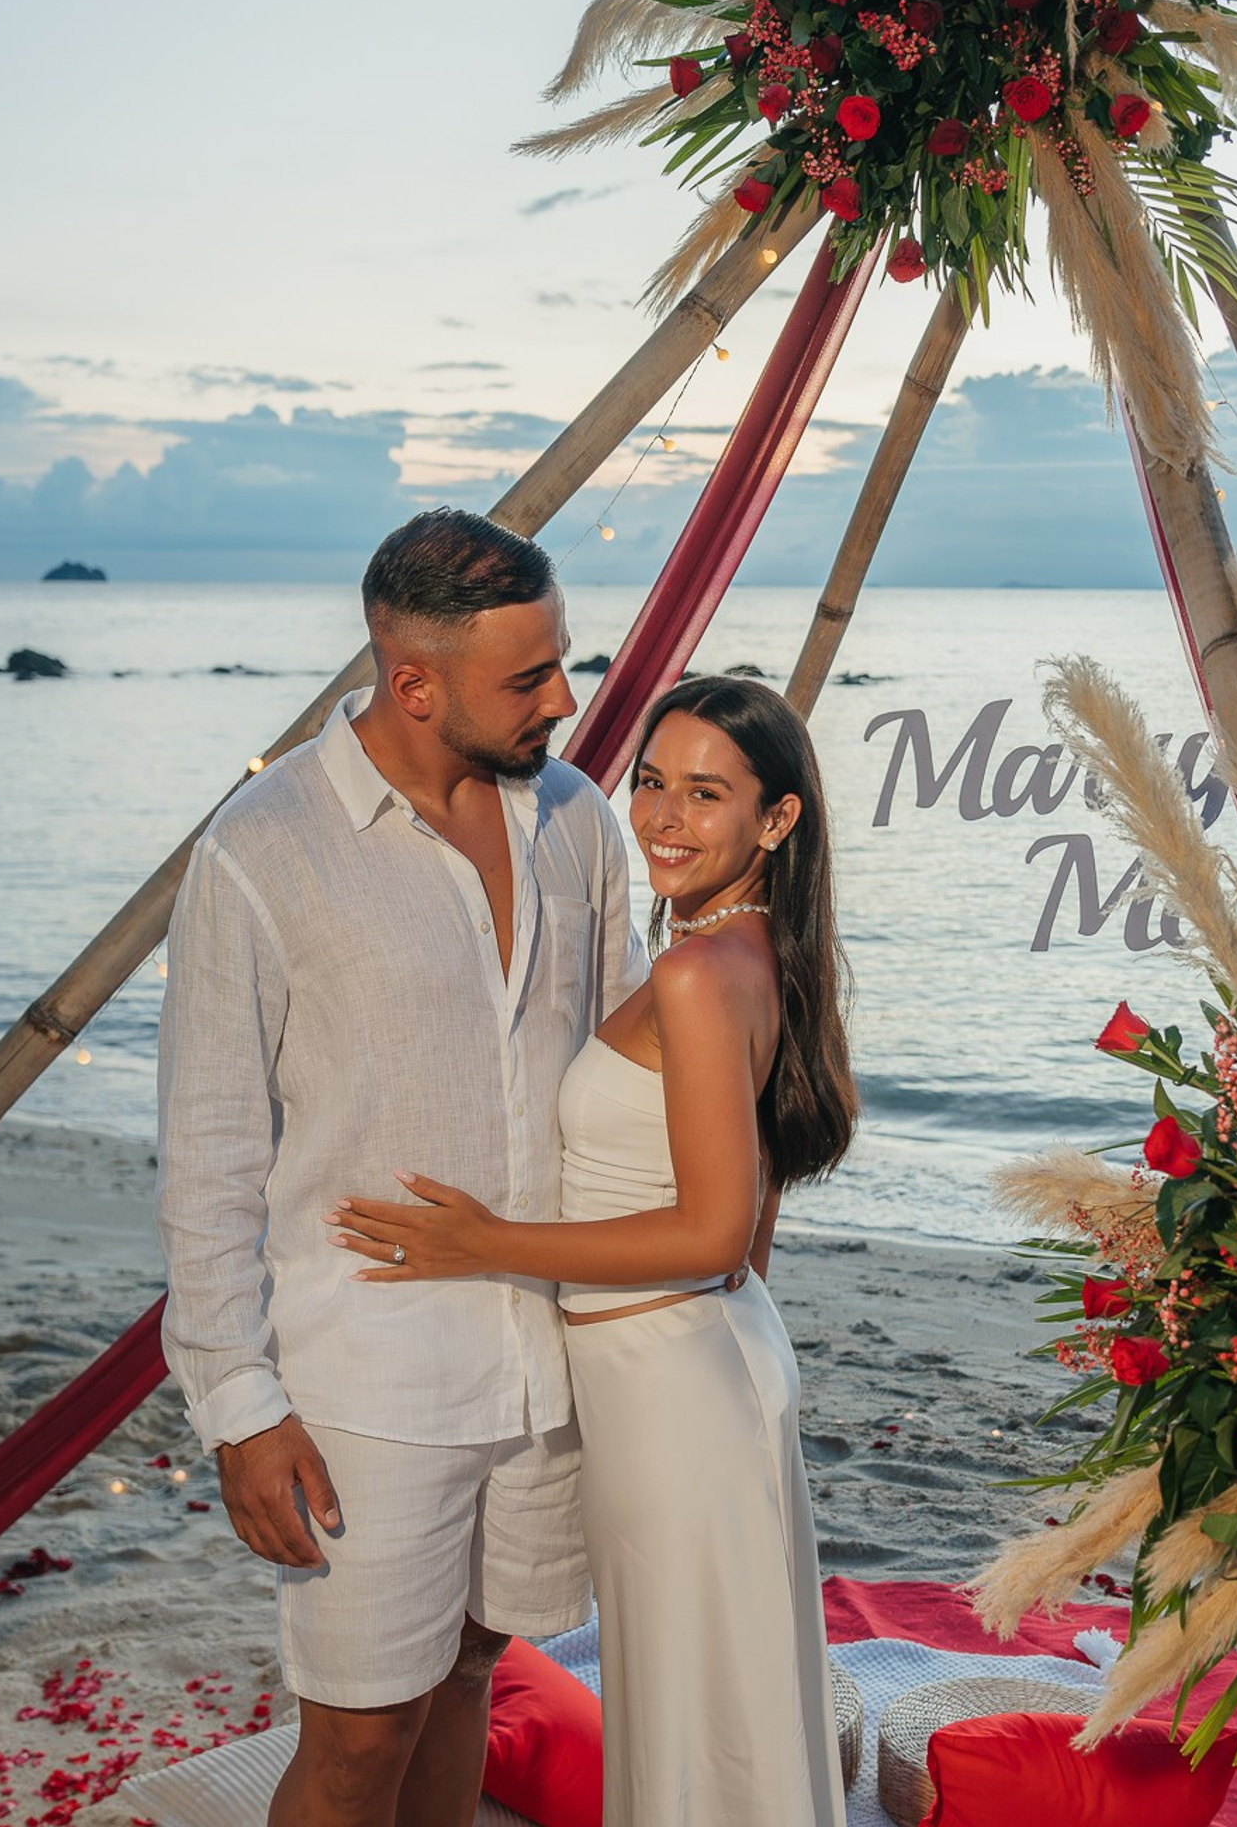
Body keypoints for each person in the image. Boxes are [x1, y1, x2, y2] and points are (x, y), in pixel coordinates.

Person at [154, 508, 645, 1827]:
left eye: (562, 663)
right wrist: (239, 1408)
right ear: (411, 682)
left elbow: (623, 1078)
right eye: (529, 678)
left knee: (474, 1677)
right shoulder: (261, 852)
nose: (566, 699)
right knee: (362, 1736)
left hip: (546, 1364)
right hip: (365, 1384)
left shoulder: (580, 822)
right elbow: (208, 1152)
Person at [327, 674, 858, 1827]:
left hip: (674, 1383)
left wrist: (484, 1242)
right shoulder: (755, 952)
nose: (663, 818)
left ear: (777, 820)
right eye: (653, 783)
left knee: (692, 1724)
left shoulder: (692, 973)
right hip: (700, 1365)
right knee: (720, 1715)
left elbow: (717, 1234)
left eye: (706, 795)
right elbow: (748, 1228)